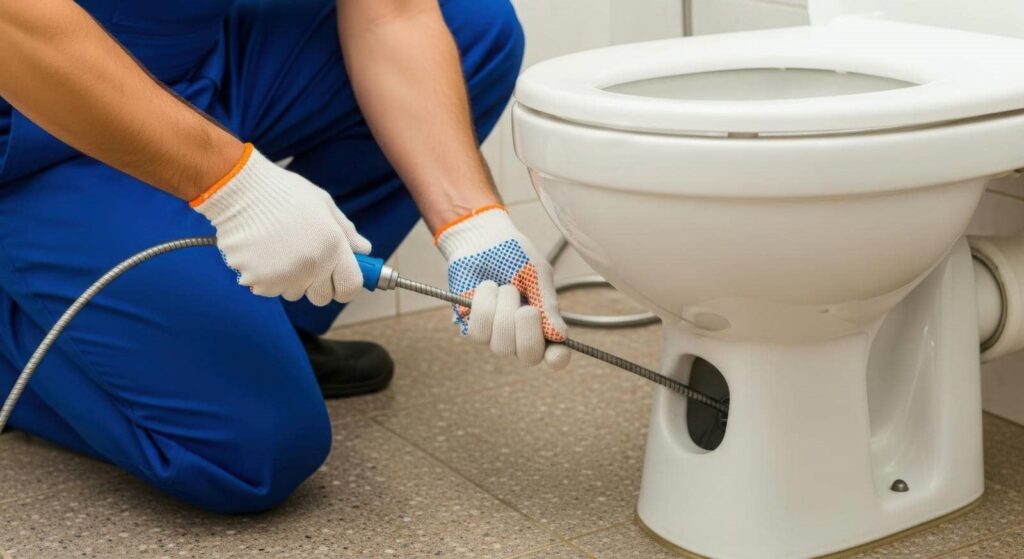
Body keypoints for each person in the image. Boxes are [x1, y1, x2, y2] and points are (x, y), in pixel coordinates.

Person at [0, 0, 569, 513]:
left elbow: (393, 12)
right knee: (253, 446)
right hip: (35, 111)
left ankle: (269, 320)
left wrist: (472, 222)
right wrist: (231, 183)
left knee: (474, 31)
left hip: (190, 61)